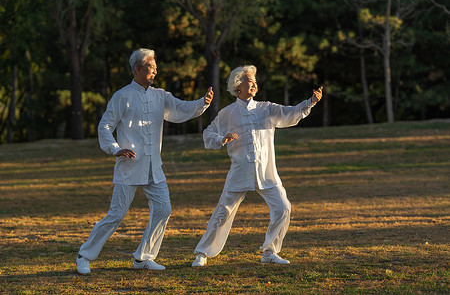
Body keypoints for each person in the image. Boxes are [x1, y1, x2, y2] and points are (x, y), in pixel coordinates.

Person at [76, 48, 214, 274]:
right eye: (152, 67)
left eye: (156, 68)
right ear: (138, 69)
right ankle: (84, 255)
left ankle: (143, 258)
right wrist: (115, 149)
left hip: (154, 168)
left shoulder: (161, 96)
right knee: (117, 215)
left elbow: (181, 109)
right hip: (129, 167)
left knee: (163, 208)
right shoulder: (122, 96)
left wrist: (203, 102)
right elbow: (105, 126)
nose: (155, 71)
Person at [192, 65, 323, 267]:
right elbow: (208, 134)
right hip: (239, 172)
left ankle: (270, 252)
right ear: (238, 86)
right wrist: (221, 139)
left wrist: (311, 102)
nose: (254, 84)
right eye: (249, 80)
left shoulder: (267, 108)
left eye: (255, 81)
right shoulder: (228, 113)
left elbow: (291, 113)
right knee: (222, 213)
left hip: (267, 172)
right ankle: (202, 253)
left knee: (283, 208)